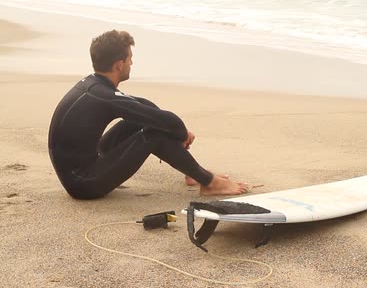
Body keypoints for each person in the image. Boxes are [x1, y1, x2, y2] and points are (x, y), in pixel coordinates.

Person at [48, 30, 249, 199]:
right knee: (154, 135)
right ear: (119, 64)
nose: (131, 64)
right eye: (130, 59)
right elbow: (168, 121)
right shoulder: (105, 96)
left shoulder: (93, 86)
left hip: (79, 170)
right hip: (84, 184)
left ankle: (193, 174)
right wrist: (180, 133)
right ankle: (210, 182)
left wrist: (175, 129)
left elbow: (143, 107)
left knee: (141, 121)